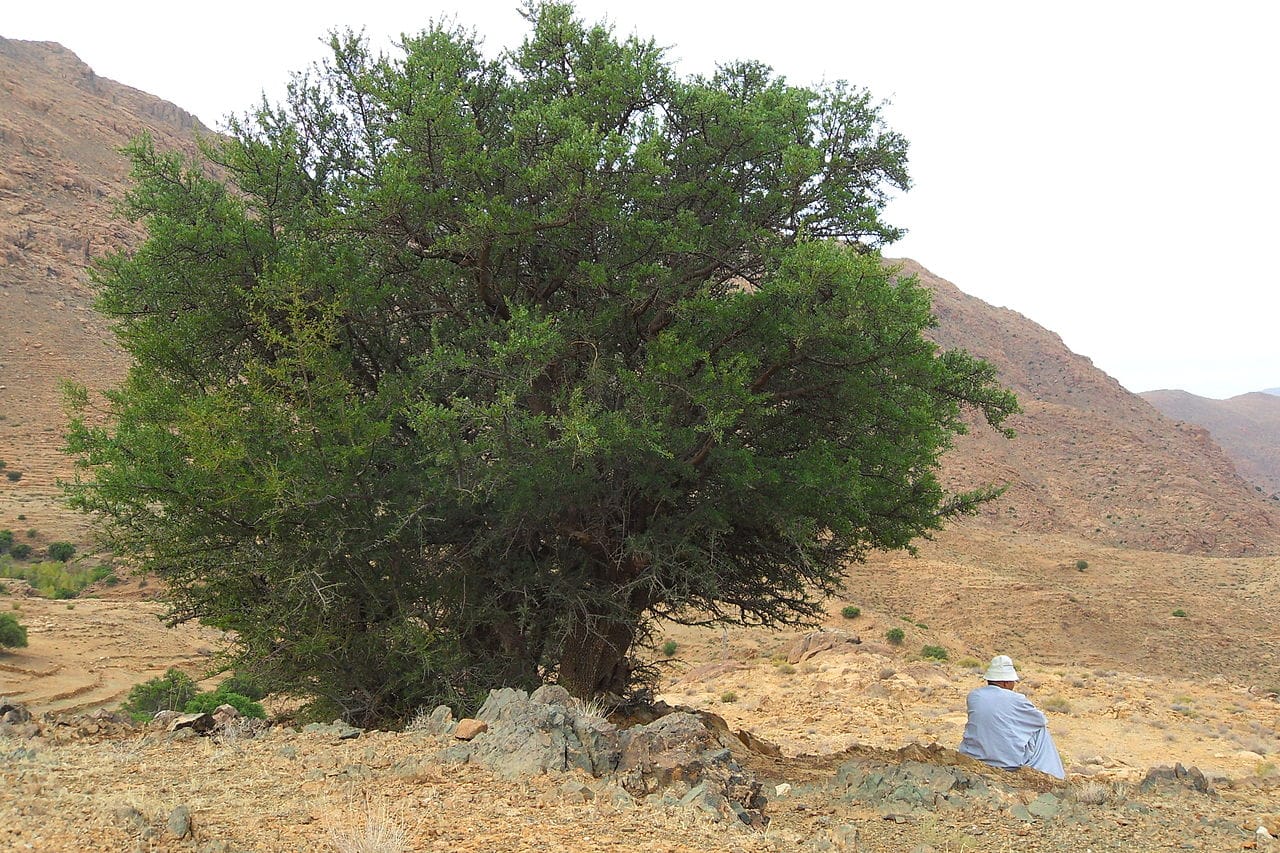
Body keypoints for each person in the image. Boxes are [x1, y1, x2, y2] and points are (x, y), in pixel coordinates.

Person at [958, 655, 1065, 779]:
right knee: (1039, 730)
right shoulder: (1016, 699)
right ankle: (1052, 774)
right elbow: (1040, 720)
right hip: (1006, 763)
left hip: (972, 757)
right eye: (1013, 681)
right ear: (1006, 682)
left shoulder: (974, 696)